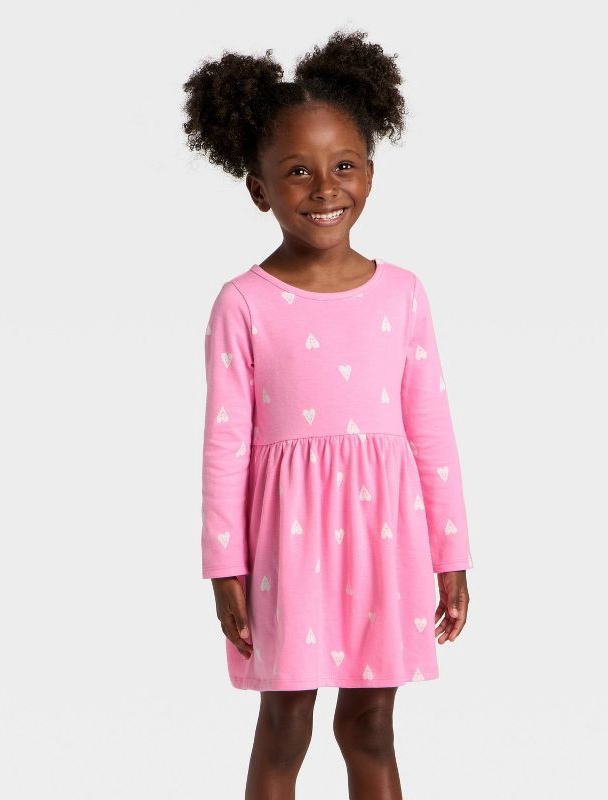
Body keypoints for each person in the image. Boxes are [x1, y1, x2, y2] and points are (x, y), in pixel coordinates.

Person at [183, 28, 475, 799]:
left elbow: (431, 431)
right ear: (259, 189)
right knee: (285, 722)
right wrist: (223, 566)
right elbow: (224, 445)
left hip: (388, 536)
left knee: (371, 725)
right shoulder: (243, 304)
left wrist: (451, 552)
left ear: (370, 172)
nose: (324, 188)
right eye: (297, 172)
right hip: (287, 542)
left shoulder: (403, 293)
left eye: (343, 166)